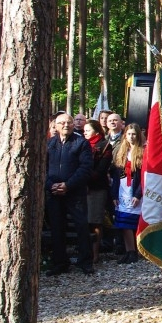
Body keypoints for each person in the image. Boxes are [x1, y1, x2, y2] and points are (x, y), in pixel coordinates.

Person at [45, 112, 94, 276]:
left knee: (81, 225)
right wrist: (51, 185)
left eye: (69, 122)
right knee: (57, 227)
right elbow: (42, 168)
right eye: (62, 123)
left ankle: (85, 261)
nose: (66, 125)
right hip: (53, 192)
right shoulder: (49, 144)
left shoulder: (81, 143)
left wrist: (68, 185)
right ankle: (60, 262)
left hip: (74, 191)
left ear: (73, 125)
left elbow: (85, 168)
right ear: (56, 126)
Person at [110, 123, 144, 265]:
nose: (131, 137)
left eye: (134, 134)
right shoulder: (122, 152)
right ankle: (129, 251)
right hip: (123, 189)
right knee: (123, 223)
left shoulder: (142, 152)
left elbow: (143, 177)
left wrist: (138, 194)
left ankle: (135, 251)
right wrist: (114, 195)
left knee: (131, 223)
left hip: (135, 191)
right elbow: (118, 175)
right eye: (129, 134)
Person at [83, 119, 112, 264]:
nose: (85, 133)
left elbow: (101, 170)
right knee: (85, 221)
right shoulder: (83, 145)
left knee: (95, 221)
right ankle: (85, 251)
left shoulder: (105, 146)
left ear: (95, 131)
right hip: (82, 187)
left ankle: (95, 254)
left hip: (97, 187)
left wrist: (85, 178)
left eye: (87, 130)